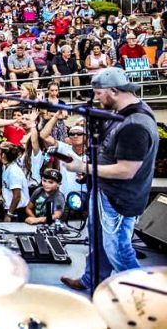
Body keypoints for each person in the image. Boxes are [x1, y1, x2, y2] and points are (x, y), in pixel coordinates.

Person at [61, 68, 159, 292]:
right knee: (98, 241)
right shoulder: (121, 113)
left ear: (114, 91)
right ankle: (91, 279)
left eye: (98, 93)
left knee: (118, 250)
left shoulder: (135, 124)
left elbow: (126, 170)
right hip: (105, 190)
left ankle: (145, 297)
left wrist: (82, 166)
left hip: (120, 198)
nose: (95, 98)